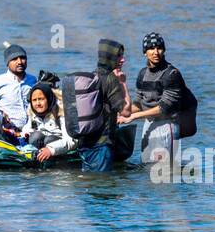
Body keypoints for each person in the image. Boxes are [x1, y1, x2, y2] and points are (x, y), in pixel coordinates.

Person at [121, 32, 190, 164]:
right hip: (149, 124)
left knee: (164, 171)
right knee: (148, 167)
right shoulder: (142, 74)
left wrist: (133, 117)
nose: (156, 52)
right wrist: (123, 113)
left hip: (167, 126)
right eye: (151, 48)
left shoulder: (171, 74)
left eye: (159, 48)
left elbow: (164, 108)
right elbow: (141, 103)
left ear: (164, 51)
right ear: (145, 52)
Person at [76, 38, 135, 172]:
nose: (123, 60)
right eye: (118, 55)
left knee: (91, 187)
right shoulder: (110, 79)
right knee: (104, 188)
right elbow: (126, 111)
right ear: (109, 57)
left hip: (85, 145)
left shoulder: (92, 77)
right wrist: (123, 83)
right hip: (101, 146)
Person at [19, 82, 75, 162]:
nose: (38, 103)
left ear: (48, 99)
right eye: (34, 100)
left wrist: (50, 150)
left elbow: (71, 141)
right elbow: (28, 128)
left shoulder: (62, 111)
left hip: (60, 143)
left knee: (48, 140)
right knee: (35, 136)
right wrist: (22, 136)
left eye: (41, 99)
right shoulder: (32, 110)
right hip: (43, 140)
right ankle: (38, 159)